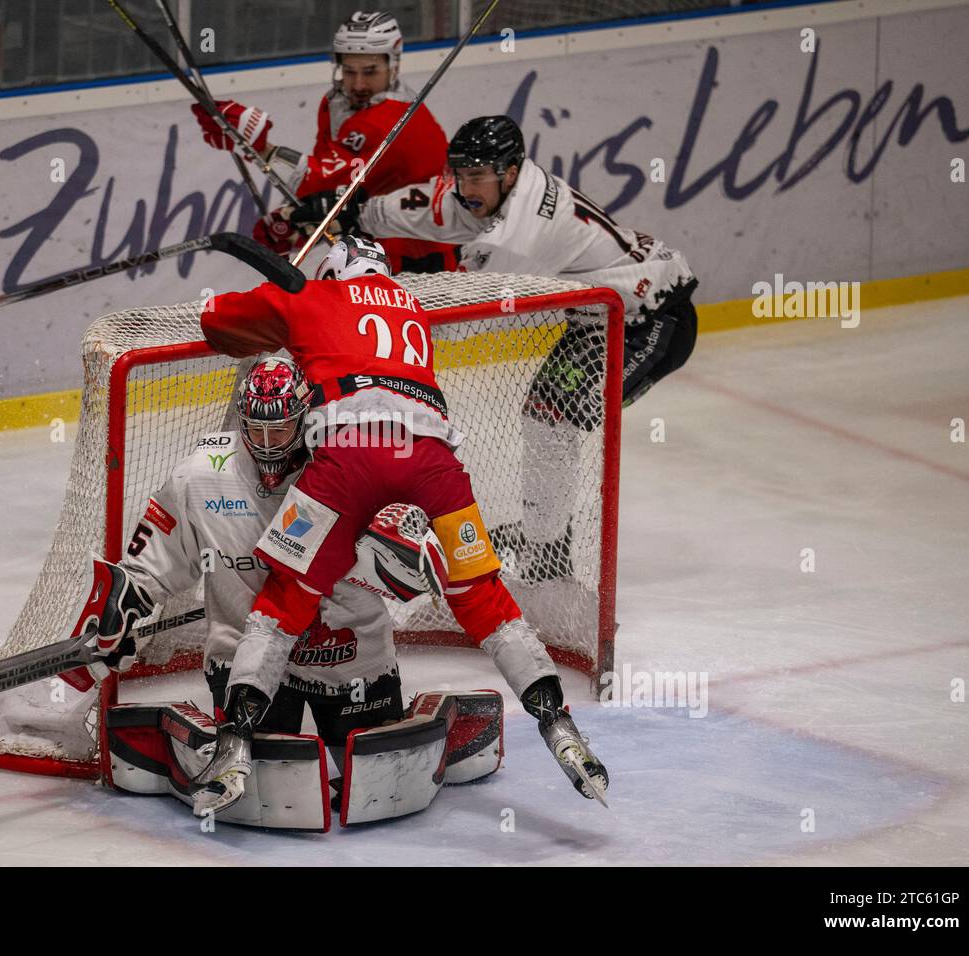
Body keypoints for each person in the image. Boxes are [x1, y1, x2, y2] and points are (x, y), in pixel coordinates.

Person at [179, 236, 608, 815]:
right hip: (433, 461)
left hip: (348, 459)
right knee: (483, 597)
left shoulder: (315, 295)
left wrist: (282, 296)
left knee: (284, 602)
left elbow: (218, 323)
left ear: (335, 271)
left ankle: (235, 741)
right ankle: (558, 725)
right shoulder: (411, 309)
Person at [292, 115, 700, 581]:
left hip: (653, 321)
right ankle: (546, 538)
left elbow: (460, 319)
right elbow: (423, 205)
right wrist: (352, 211)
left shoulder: (522, 235)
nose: (466, 186)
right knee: (545, 416)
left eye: (477, 176)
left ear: (509, 173)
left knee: (551, 419)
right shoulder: (490, 189)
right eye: (460, 173)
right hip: (605, 317)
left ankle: (548, 556)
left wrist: (368, 306)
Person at [74, 357, 449, 767]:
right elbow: (149, 563)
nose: (268, 443)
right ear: (241, 422)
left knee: (373, 765)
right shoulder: (201, 476)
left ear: (306, 420)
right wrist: (125, 604)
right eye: (257, 429)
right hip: (243, 658)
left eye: (281, 428)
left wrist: (406, 548)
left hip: (350, 656)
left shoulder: (349, 464)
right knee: (264, 766)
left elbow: (410, 569)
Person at [190, 10, 456, 274]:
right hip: (372, 248)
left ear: (393, 65)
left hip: (424, 263)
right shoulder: (338, 104)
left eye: (370, 71)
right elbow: (338, 194)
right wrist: (299, 224)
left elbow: (316, 182)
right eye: (349, 71)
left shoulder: (390, 119)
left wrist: (258, 146)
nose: (358, 84)